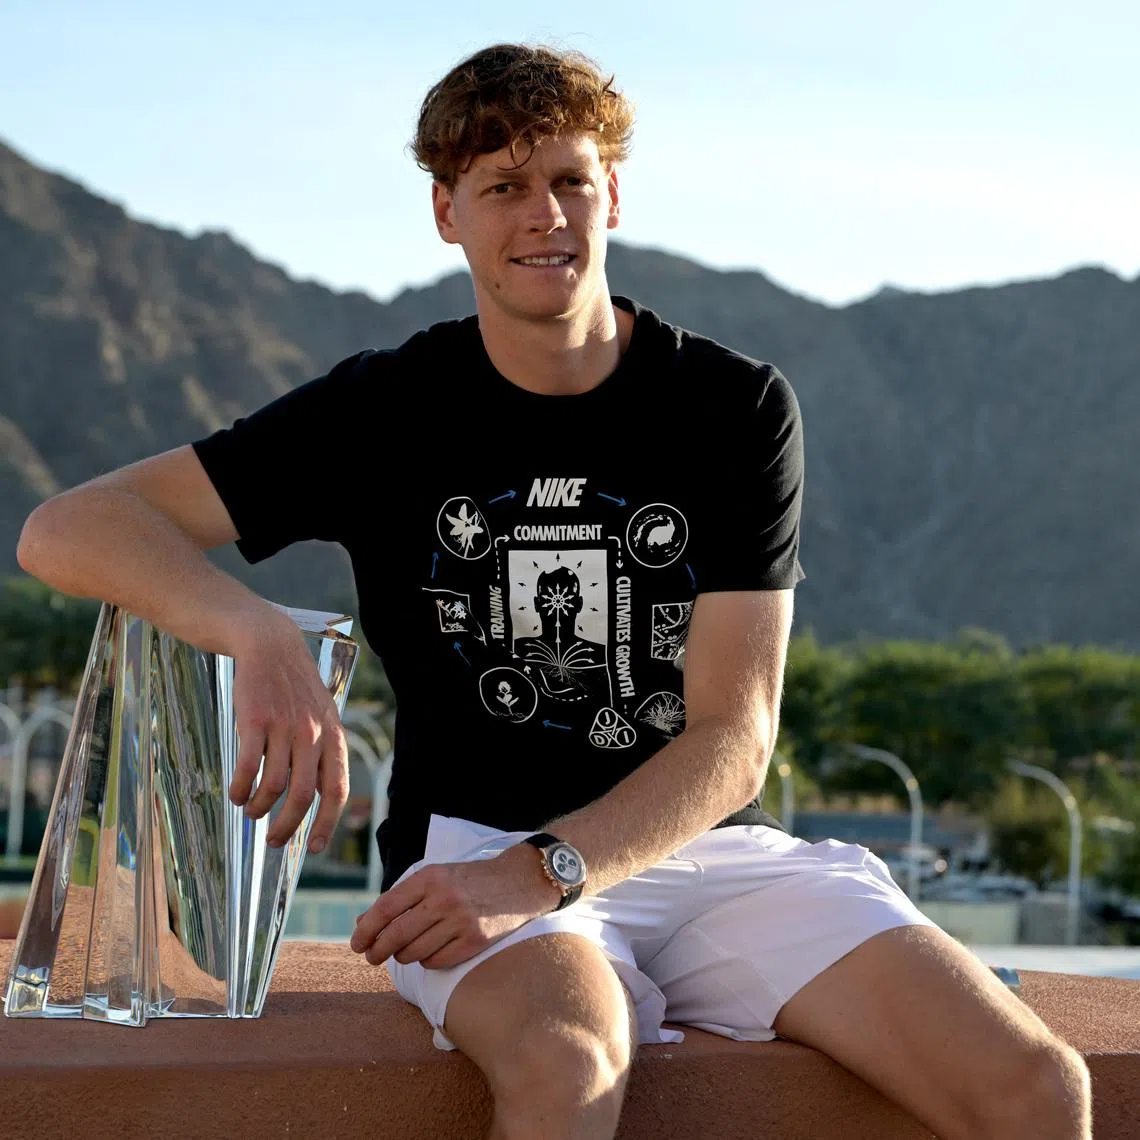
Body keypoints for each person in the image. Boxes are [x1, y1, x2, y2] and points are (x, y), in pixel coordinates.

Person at [17, 42, 1090, 1140]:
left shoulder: (732, 408)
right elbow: (70, 527)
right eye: (503, 187)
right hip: (471, 848)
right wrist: (250, 630)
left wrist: (550, 870)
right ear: (447, 212)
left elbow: (736, 731)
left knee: (1039, 1089)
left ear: (612, 191)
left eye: (571, 179)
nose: (547, 215)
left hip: (699, 850)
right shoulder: (386, 410)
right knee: (569, 1062)